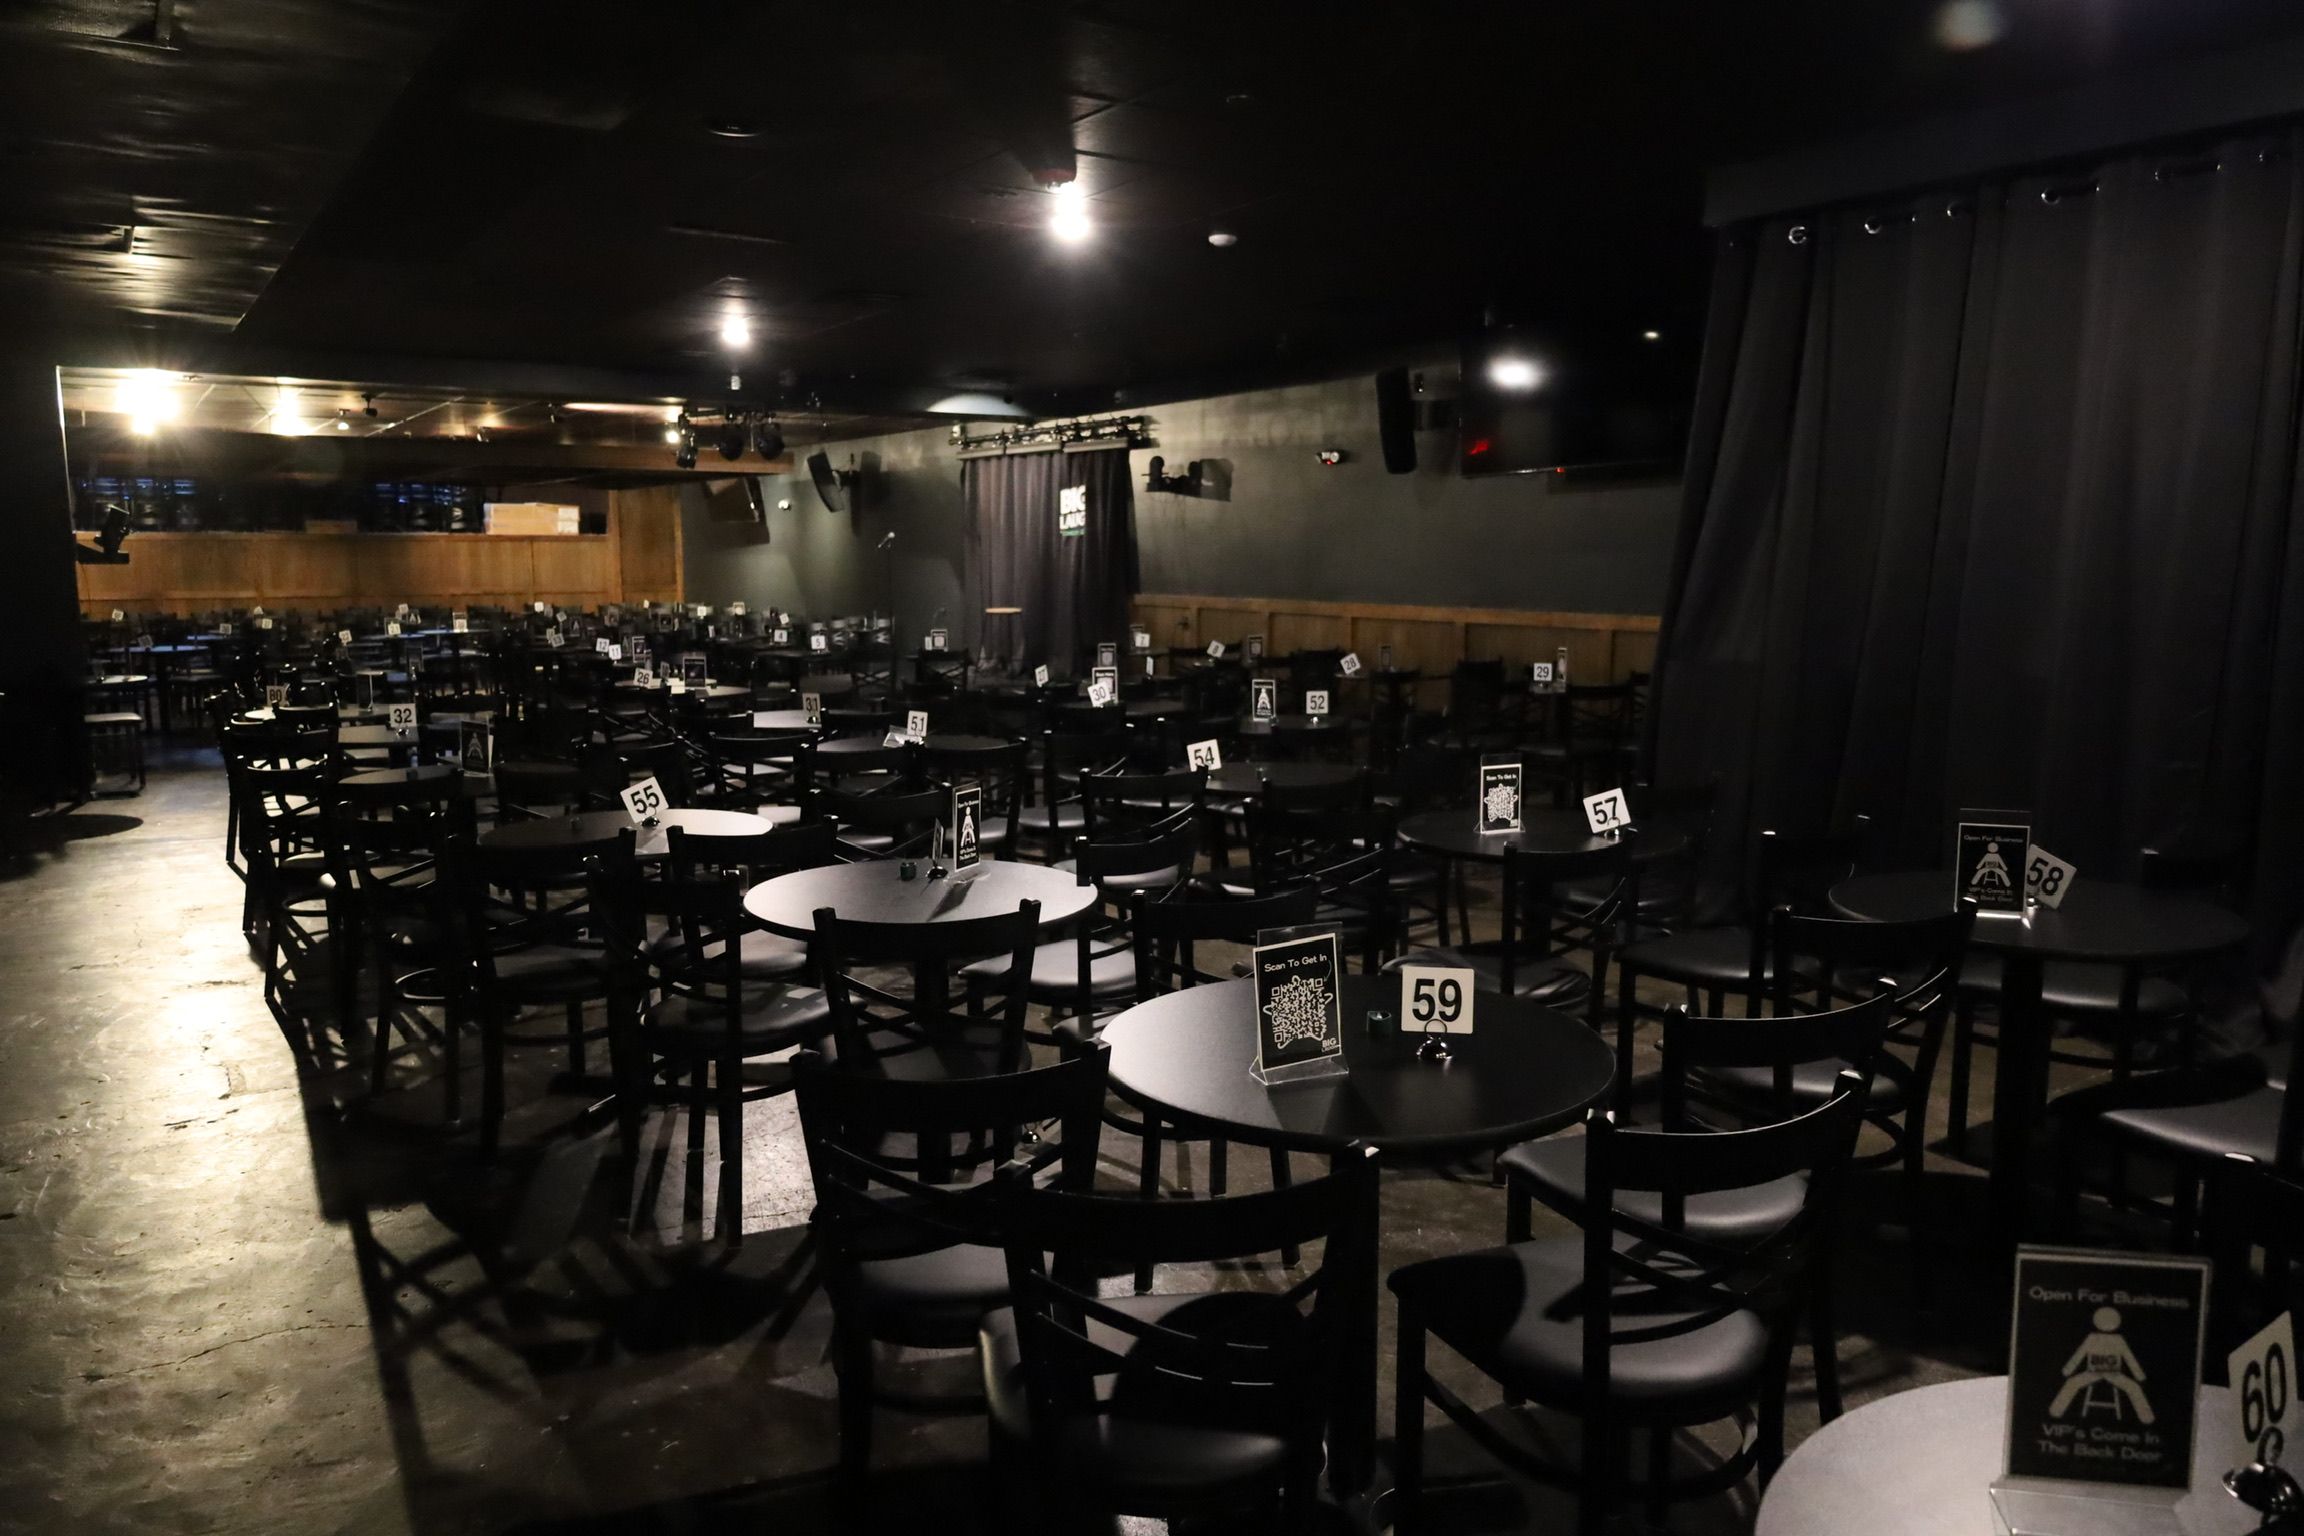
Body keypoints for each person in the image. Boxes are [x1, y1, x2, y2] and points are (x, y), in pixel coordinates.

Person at [2048, 1306, 2155, 1423]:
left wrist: (2067, 1371)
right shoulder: (2095, 1338)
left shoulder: (2116, 1340)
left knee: (2133, 1387)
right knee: (2133, 1387)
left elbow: (2129, 1358)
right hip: (2095, 1373)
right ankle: (2056, 1411)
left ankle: (2146, 1417)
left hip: (2111, 1374)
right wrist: (2139, 1376)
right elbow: (2080, 1355)